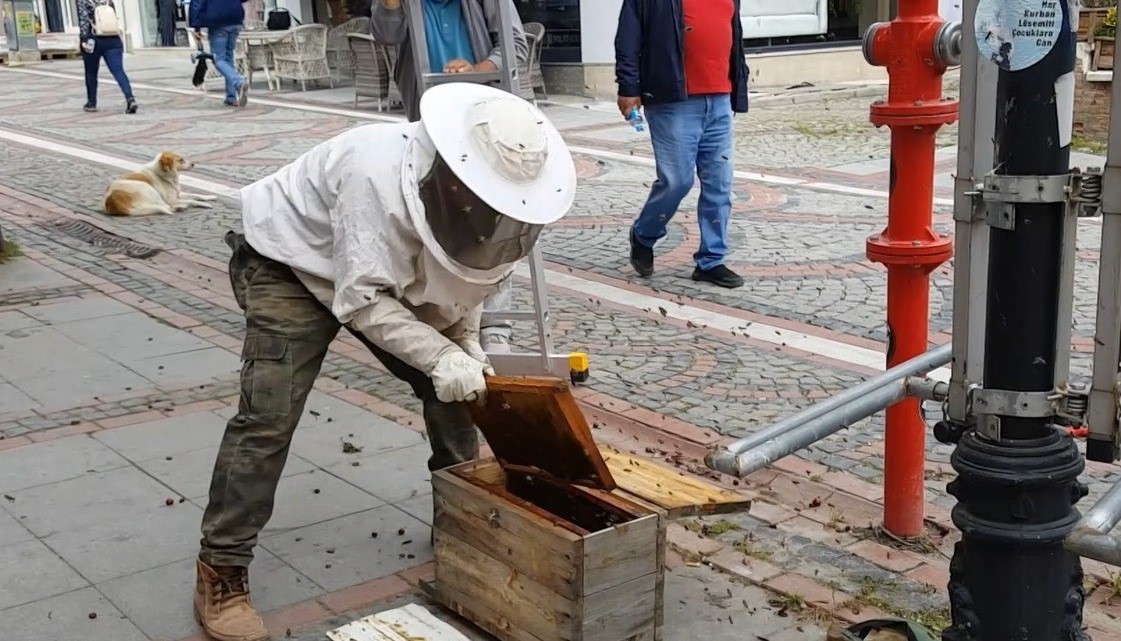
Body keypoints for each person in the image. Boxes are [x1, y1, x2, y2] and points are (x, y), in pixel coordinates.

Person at [193, 82, 576, 641]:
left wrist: (464, 345)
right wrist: (440, 352)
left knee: (457, 392)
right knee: (269, 417)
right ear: (454, 173)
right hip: (290, 264)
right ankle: (221, 568)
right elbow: (362, 297)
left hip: (373, 275)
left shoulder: (504, 207)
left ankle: (462, 520)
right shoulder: (374, 172)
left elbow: (468, 286)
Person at [371, 0, 530, 352]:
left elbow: (515, 46)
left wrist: (477, 68)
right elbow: (385, 34)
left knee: (496, 218)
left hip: (484, 117)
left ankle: (495, 326)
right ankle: (450, 320)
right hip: (428, 123)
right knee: (438, 218)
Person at [615, 0, 750, 289]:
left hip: (720, 99)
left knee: (720, 184)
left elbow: (733, 36)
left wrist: (740, 82)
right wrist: (628, 88)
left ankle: (711, 261)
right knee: (677, 181)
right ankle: (644, 234)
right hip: (672, 100)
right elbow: (627, 39)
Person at [77, 0, 138, 114]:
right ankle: (130, 98)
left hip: (93, 38)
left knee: (91, 72)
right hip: (113, 38)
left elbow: (84, 20)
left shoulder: (83, 1)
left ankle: (92, 103)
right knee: (118, 71)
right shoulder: (107, 1)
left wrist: (83, 39)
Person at [189, 0, 249, 107]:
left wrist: (196, 26)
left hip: (218, 19)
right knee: (228, 58)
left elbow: (197, 3)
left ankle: (238, 82)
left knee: (218, 59)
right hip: (236, 17)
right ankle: (231, 97)